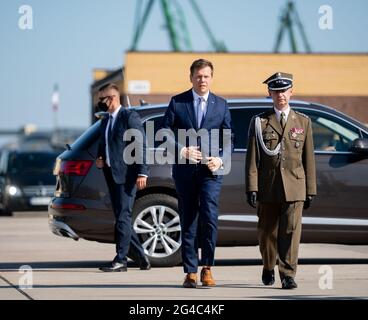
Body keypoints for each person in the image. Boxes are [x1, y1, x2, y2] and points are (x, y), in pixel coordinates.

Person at [161, 59, 233, 288]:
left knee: (210, 217)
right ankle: (190, 271)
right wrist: (181, 149)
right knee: (189, 218)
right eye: (198, 76)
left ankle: (207, 269)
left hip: (211, 171)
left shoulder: (221, 104)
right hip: (184, 170)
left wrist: (221, 158)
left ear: (212, 78)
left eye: (206, 76)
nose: (202, 80)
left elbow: (230, 137)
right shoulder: (178, 102)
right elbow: (163, 132)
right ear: (191, 77)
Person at [245, 72, 317, 289]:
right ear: (269, 93)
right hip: (268, 186)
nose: (280, 95)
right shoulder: (260, 122)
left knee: (291, 232)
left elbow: (309, 158)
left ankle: (288, 274)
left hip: (295, 185)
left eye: (284, 90)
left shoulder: (303, 122)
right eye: (276, 91)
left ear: (291, 92)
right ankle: (268, 265)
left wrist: (310, 189)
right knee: (267, 233)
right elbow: (252, 157)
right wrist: (252, 187)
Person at [95, 83, 150, 272]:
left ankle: (121, 260)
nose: (100, 103)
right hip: (111, 174)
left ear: (113, 98)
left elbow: (141, 143)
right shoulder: (105, 120)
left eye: (102, 99)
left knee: (123, 217)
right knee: (122, 217)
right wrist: (100, 157)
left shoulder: (129, 117)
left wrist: (143, 172)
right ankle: (142, 258)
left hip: (127, 175)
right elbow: (105, 144)